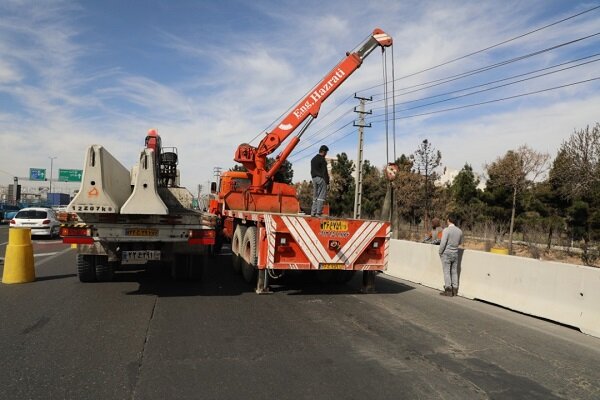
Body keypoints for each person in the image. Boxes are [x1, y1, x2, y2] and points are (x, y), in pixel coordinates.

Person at [438, 213, 463, 296]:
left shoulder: (446, 230)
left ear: (448, 220)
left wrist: (440, 252)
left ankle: (448, 289)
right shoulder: (459, 231)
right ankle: (455, 289)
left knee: (446, 272)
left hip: (447, 253)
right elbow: (460, 242)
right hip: (455, 253)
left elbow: (443, 243)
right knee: (454, 271)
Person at [310, 145, 330, 217]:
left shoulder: (313, 159)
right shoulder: (322, 159)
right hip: (321, 178)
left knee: (315, 195)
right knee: (321, 196)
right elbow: (325, 172)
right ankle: (318, 213)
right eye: (326, 152)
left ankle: (313, 212)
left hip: (314, 178)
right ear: (323, 151)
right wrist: (327, 182)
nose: (326, 154)